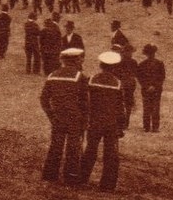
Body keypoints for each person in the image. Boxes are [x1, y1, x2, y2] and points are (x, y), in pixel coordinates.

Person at [40, 48, 88, 185]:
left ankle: (50, 175)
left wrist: (51, 115)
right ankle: (71, 178)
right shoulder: (80, 77)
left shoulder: (52, 75)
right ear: (76, 60)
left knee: (56, 146)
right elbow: (85, 102)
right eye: (80, 59)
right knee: (73, 148)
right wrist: (84, 120)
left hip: (58, 117)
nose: (82, 61)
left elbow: (43, 99)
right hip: (74, 118)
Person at [80, 51, 126, 192]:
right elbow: (120, 107)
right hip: (111, 124)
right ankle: (107, 185)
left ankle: (82, 179)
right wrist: (121, 126)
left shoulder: (92, 79)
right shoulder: (117, 83)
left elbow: (85, 101)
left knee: (90, 150)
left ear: (101, 65)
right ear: (115, 67)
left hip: (94, 121)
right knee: (111, 153)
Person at [136, 44, 166, 132]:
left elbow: (140, 78)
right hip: (154, 89)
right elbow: (162, 77)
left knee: (148, 107)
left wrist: (148, 86)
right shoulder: (159, 63)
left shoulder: (142, 64)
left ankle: (147, 127)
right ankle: (153, 127)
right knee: (154, 107)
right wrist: (153, 86)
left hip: (148, 89)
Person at [113, 44, 139, 129]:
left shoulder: (121, 61)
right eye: (129, 52)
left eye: (130, 52)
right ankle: (124, 122)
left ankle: (124, 122)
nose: (130, 54)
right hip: (127, 84)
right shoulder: (131, 62)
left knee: (125, 104)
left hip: (127, 84)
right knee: (125, 104)